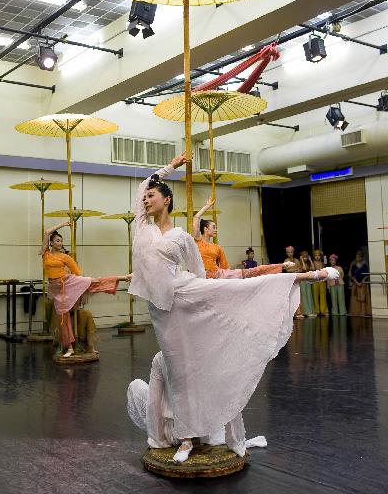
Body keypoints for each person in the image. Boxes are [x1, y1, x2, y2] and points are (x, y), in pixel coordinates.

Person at [128, 154, 339, 463]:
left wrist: (205, 296)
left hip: (186, 293)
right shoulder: (142, 227)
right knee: (179, 369)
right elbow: (143, 184)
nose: (146, 199)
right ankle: (187, 436)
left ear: (167, 199)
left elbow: (200, 273)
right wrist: (170, 167)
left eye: (152, 195)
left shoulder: (183, 237)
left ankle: (311, 275)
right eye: (145, 196)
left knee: (235, 290)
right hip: (162, 312)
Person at [127, 351, 267, 458]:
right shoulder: (205, 357)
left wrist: (158, 440)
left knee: (139, 387)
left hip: (178, 433)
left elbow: (154, 404)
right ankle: (187, 439)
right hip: (204, 431)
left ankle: (185, 440)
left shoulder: (162, 357)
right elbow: (227, 398)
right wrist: (236, 439)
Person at [41, 222, 130, 357]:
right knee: (63, 318)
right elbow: (47, 232)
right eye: (57, 240)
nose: (60, 243)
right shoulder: (45, 254)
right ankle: (69, 347)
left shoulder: (65, 257)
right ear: (51, 243)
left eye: (61, 241)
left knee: (93, 281)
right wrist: (64, 224)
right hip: (56, 288)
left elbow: (77, 272)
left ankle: (123, 277)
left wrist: (80, 286)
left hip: (68, 281)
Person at [193, 198, 287, 279]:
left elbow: (226, 268)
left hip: (216, 275)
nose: (216, 230)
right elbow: (196, 217)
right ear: (205, 229)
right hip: (201, 275)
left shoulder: (217, 248)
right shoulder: (198, 241)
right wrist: (207, 206)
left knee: (250, 272)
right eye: (214, 227)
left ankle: (280, 266)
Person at [348, 251, 371, 316]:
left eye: (359, 257)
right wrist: (356, 282)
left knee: (363, 298)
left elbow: (366, 275)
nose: (357, 258)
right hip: (356, 284)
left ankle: (363, 312)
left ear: (361, 258)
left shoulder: (364, 266)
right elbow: (352, 275)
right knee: (355, 298)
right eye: (356, 256)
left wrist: (362, 281)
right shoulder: (354, 265)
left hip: (363, 284)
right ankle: (356, 312)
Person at [283, 246, 304, 319]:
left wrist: (296, 270)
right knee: (291, 296)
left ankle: (299, 312)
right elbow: (287, 270)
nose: (290, 254)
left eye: (291, 252)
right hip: (290, 280)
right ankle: (292, 313)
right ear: (286, 253)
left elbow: (301, 269)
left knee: (298, 295)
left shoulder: (297, 260)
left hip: (296, 279)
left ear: (293, 252)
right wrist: (296, 270)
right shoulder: (286, 261)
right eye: (288, 252)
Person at [299, 250, 316, 318]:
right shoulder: (300, 263)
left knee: (309, 295)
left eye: (306, 257)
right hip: (302, 281)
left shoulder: (308, 263)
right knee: (304, 295)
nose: (305, 258)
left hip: (308, 280)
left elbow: (314, 268)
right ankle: (306, 312)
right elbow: (304, 268)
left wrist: (310, 260)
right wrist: (301, 260)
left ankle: (311, 311)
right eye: (304, 257)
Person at [312, 249, 329, 316]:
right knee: (315, 296)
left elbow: (325, 269)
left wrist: (323, 256)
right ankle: (316, 310)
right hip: (315, 280)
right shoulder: (312, 262)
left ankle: (324, 310)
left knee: (323, 295)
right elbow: (313, 269)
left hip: (322, 280)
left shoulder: (323, 263)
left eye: (318, 255)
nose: (317, 257)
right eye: (315, 255)